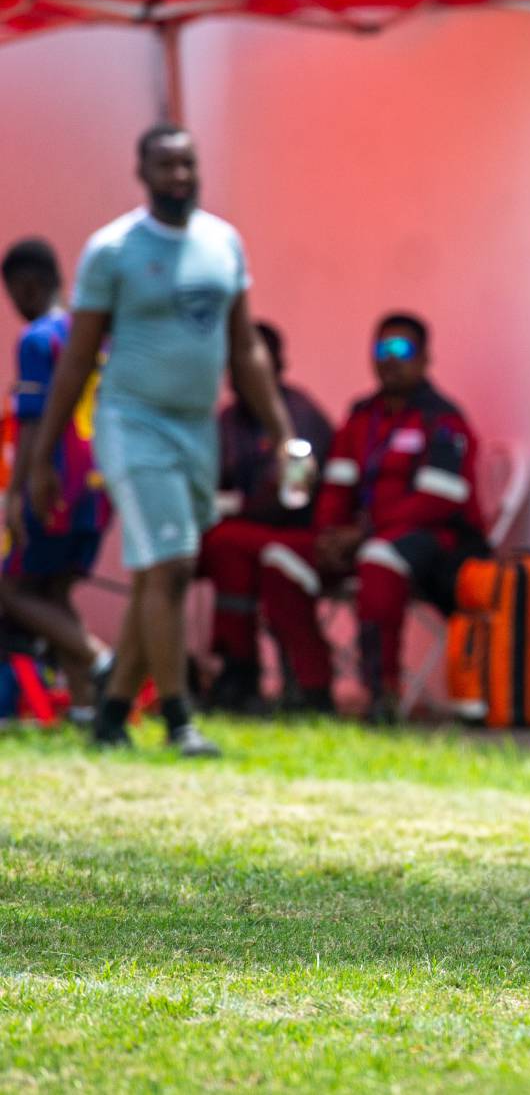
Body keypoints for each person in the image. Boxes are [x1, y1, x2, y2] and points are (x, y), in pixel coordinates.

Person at [27, 124, 293, 758]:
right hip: (132, 421)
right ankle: (179, 718)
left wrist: (280, 431)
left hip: (196, 427)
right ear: (141, 172)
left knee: (158, 572)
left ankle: (112, 714)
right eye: (166, 165)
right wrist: (44, 455)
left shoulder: (222, 243)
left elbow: (245, 347)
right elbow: (77, 358)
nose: (179, 176)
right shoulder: (114, 249)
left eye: (187, 164)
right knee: (172, 565)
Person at [259, 313, 485, 723]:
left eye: (402, 349)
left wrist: (362, 534)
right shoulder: (361, 418)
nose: (390, 358)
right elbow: (336, 486)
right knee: (280, 559)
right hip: (363, 539)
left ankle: (382, 694)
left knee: (379, 559)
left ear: (424, 358)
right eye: (382, 349)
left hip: (432, 544)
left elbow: (436, 502)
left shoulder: (443, 420)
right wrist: (329, 534)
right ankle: (311, 688)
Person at [1, 237, 114, 721]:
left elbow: (31, 424)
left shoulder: (37, 340)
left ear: (27, 285)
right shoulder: (94, 337)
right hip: (101, 484)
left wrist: (16, 494)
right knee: (52, 593)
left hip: (54, 481)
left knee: (11, 591)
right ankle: (87, 706)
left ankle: (102, 661)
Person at [197, 320, 334, 713]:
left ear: (276, 365)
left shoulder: (298, 417)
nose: (240, 373)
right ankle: (228, 670)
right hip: (247, 535)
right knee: (206, 548)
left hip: (303, 536)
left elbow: (292, 497)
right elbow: (208, 481)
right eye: (233, 363)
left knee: (228, 543)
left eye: (250, 361)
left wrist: (232, 505)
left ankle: (249, 671)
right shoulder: (228, 420)